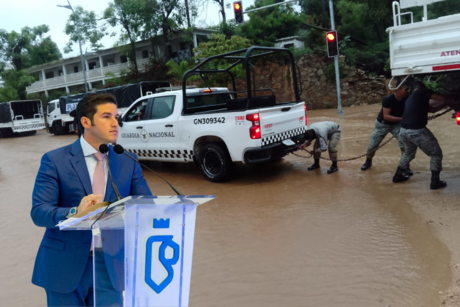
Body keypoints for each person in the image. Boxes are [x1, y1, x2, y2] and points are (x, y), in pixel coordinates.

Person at [31, 93, 152, 306]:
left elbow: (146, 205)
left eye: (117, 117)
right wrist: (74, 213)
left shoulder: (128, 160)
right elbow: (39, 212)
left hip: (111, 265)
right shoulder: (54, 160)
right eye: (107, 117)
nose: (116, 123)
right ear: (86, 122)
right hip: (64, 266)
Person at [392, 81, 451, 188]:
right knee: (436, 154)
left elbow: (432, 110)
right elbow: (442, 98)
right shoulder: (423, 91)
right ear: (420, 87)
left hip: (403, 131)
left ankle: (398, 175)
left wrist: (446, 104)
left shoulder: (411, 98)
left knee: (408, 153)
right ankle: (435, 182)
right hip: (417, 131)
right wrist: (450, 99)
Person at [361, 81, 411, 173]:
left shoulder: (407, 98)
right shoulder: (388, 99)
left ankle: (405, 165)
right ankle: (368, 161)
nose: (407, 92)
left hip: (396, 124)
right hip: (382, 124)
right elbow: (386, 116)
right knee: (372, 146)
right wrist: (403, 119)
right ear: (399, 90)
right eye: (405, 90)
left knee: (405, 144)